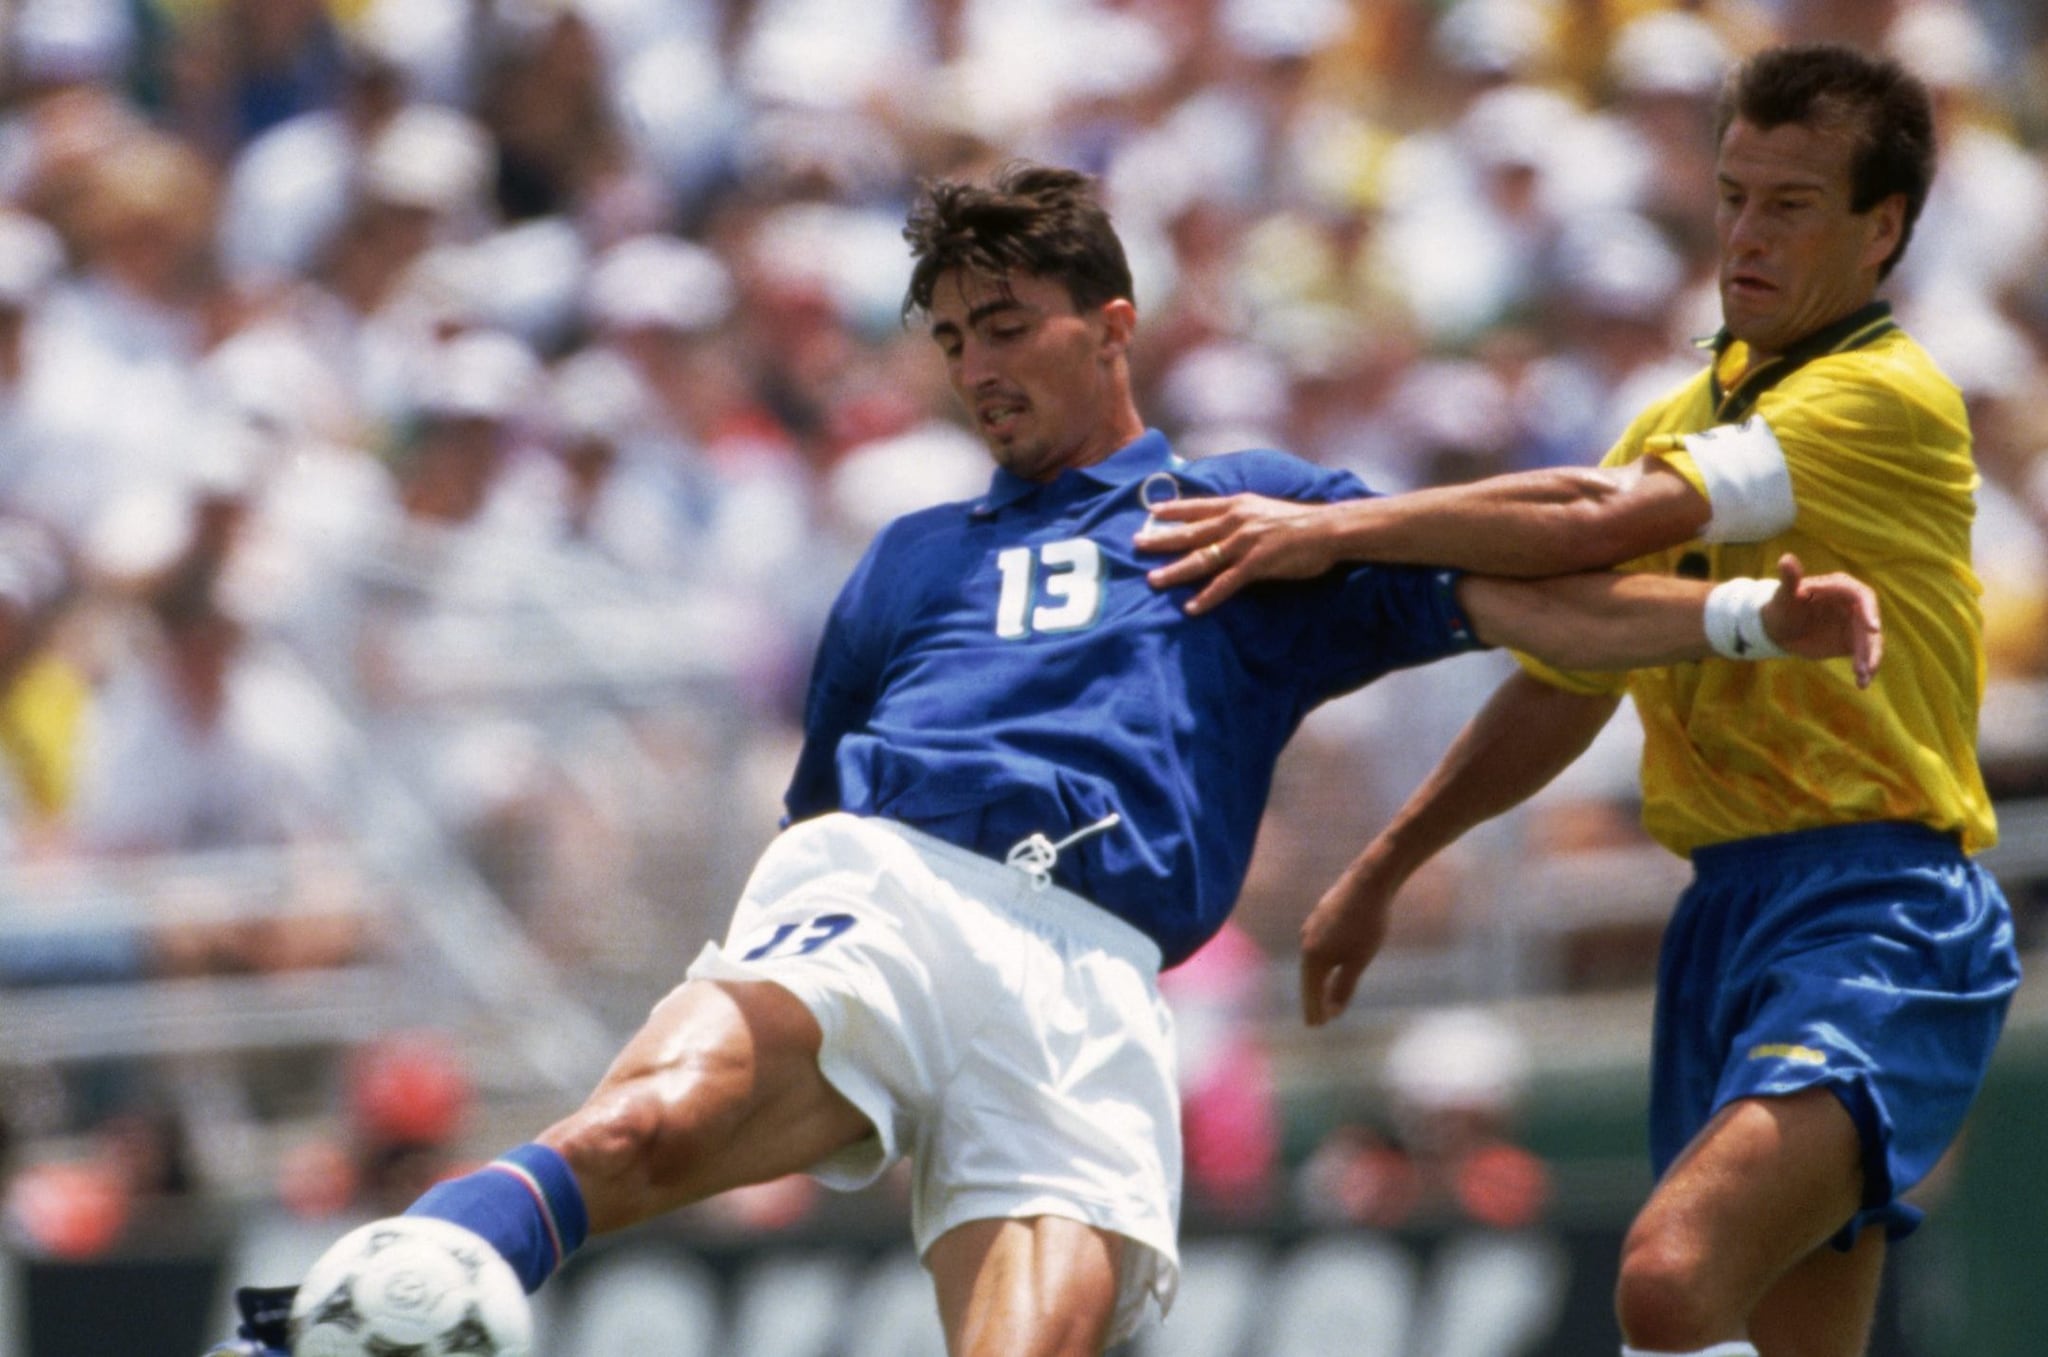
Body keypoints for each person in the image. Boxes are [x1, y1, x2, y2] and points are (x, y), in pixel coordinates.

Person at [210, 161, 1880, 1357]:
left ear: (1111, 324)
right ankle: (402, 1287)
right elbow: (818, 815)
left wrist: (1737, 622)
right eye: (948, 337)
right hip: (900, 882)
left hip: (1098, 980)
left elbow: (1551, 605)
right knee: (657, 1120)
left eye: (1005, 321)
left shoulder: (1252, 505)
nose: (976, 365)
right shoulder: (905, 558)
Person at [1135, 45, 2017, 1357]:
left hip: (1877, 909)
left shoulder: (1883, 397)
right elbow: (1573, 678)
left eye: (1790, 206)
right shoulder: (1679, 407)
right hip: (1723, 913)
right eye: (1731, 197)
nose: (1744, 236)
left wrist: (1339, 532)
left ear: (1882, 227)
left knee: (1664, 1281)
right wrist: (1384, 865)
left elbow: (1596, 520)